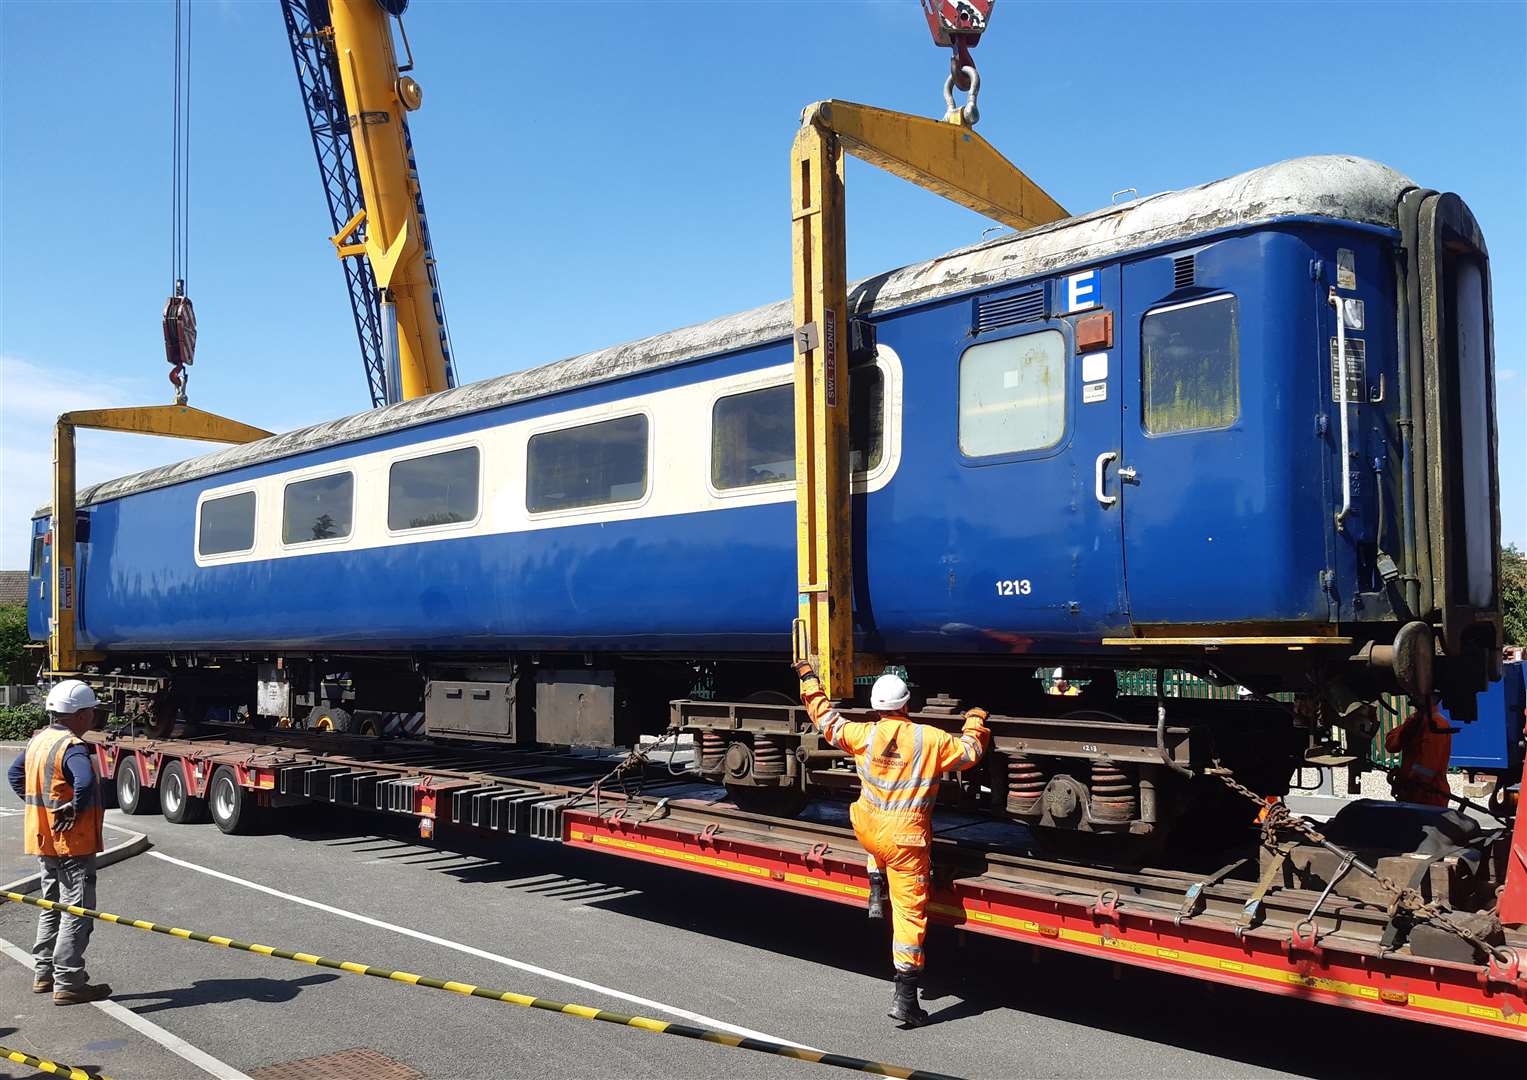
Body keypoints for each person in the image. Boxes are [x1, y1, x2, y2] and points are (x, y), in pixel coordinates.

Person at [792, 662, 989, 1027]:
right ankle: (906, 997)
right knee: (909, 916)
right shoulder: (929, 739)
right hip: (904, 842)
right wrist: (975, 719)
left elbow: (825, 720)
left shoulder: (862, 734)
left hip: (868, 831)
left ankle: (874, 883)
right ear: (906, 705)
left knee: (874, 829)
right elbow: (969, 753)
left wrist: (808, 678)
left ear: (876, 707)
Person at [7, 679, 111, 1005]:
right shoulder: (73, 746)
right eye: (91, 712)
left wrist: (45, 808)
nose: (93, 717)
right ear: (79, 715)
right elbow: (85, 779)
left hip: (43, 838)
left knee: (51, 905)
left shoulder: (38, 741)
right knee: (76, 910)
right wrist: (73, 809)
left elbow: (14, 775)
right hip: (72, 842)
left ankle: (44, 973)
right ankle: (68, 981)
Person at [1384, 692, 1454, 808]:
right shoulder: (1415, 721)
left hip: (1428, 797)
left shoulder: (1436, 724)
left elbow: (1426, 769)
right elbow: (1391, 746)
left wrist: (1409, 791)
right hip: (1415, 795)